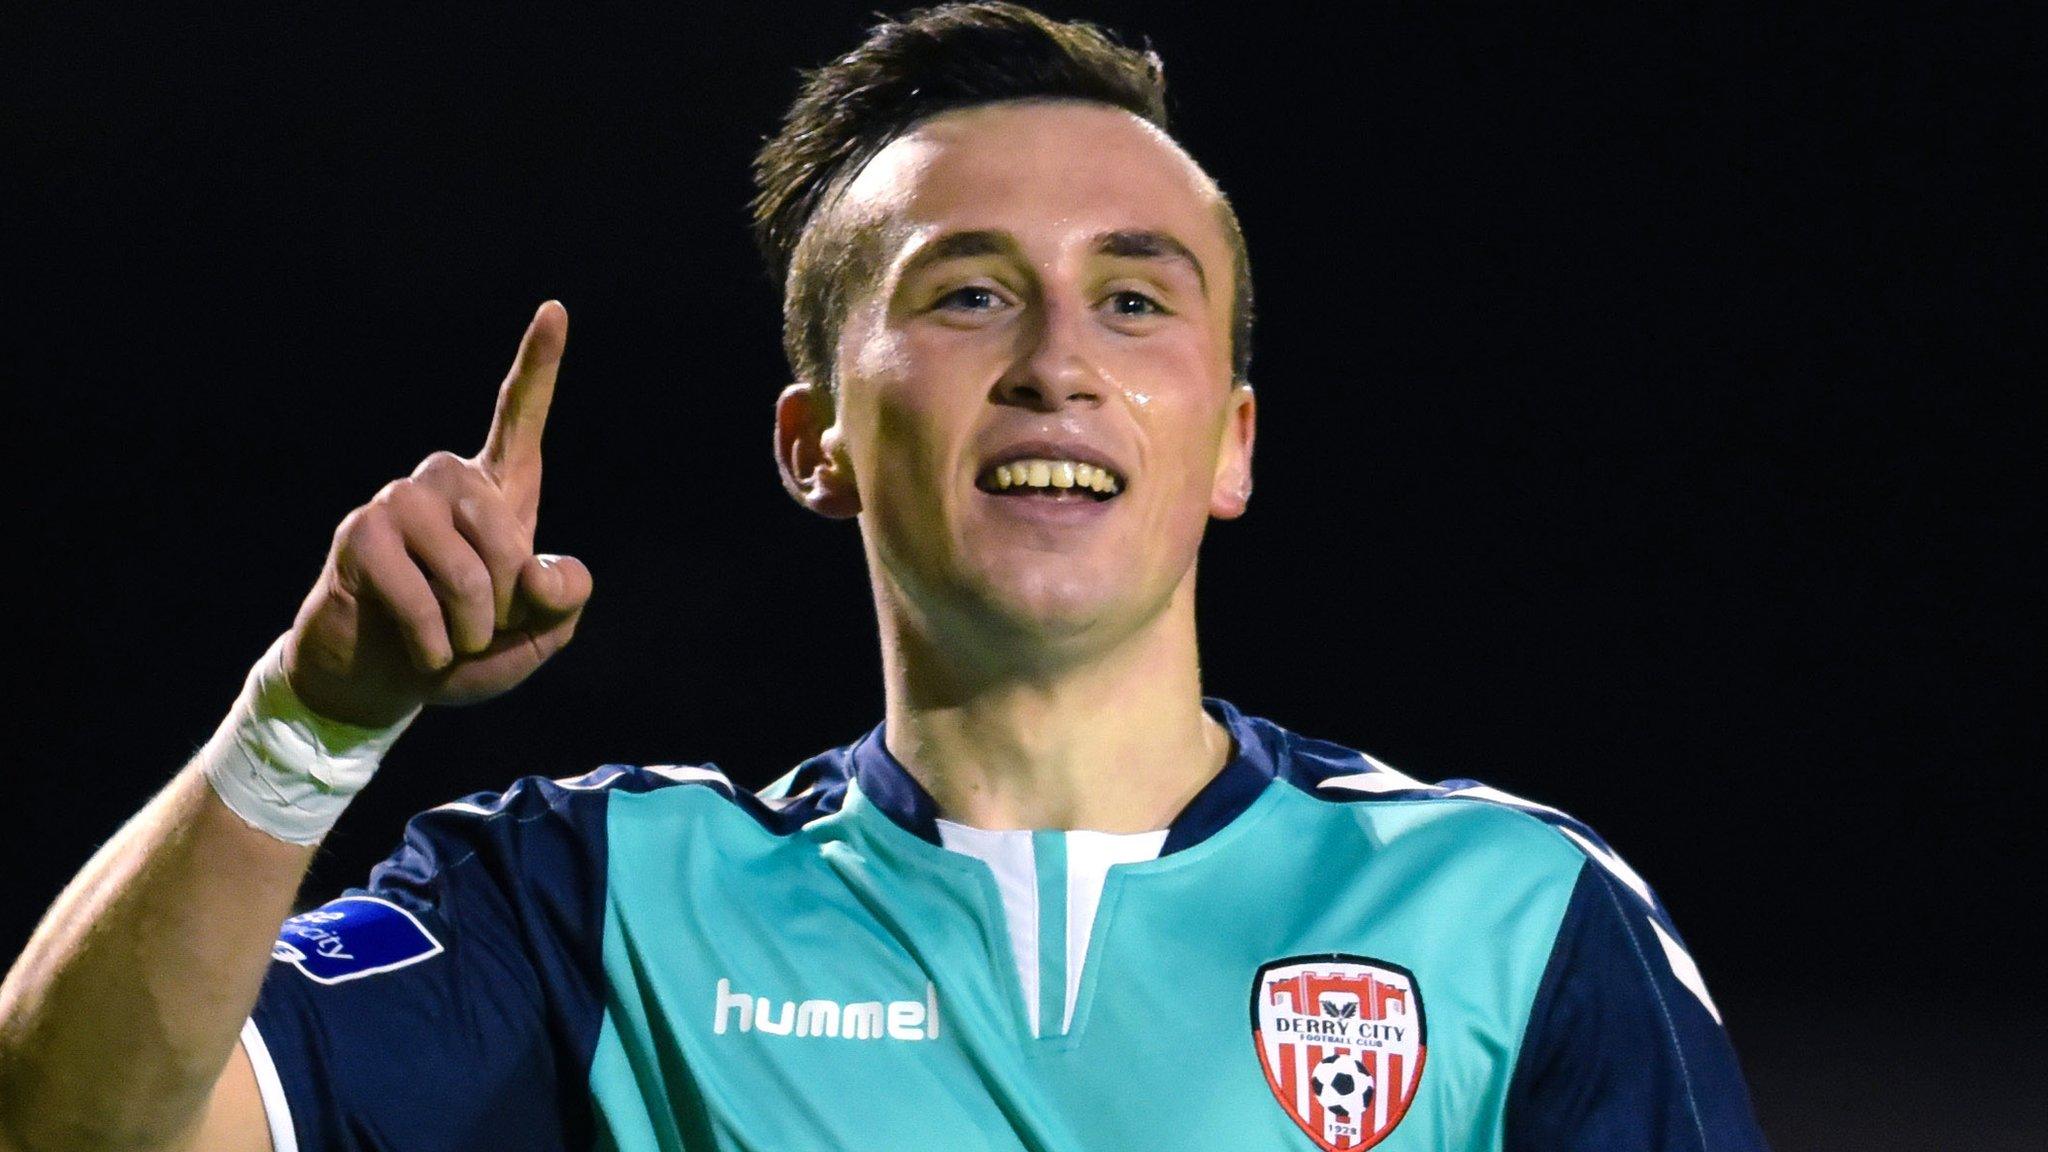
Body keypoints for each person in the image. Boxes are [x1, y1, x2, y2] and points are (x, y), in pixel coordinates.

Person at [0, 4, 1769, 1150]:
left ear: (1232, 439)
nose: (1059, 360)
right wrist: (306, 721)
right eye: (968, 293)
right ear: (815, 442)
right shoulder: (597, 902)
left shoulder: (1516, 919)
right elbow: (72, 1129)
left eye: (1137, 299)